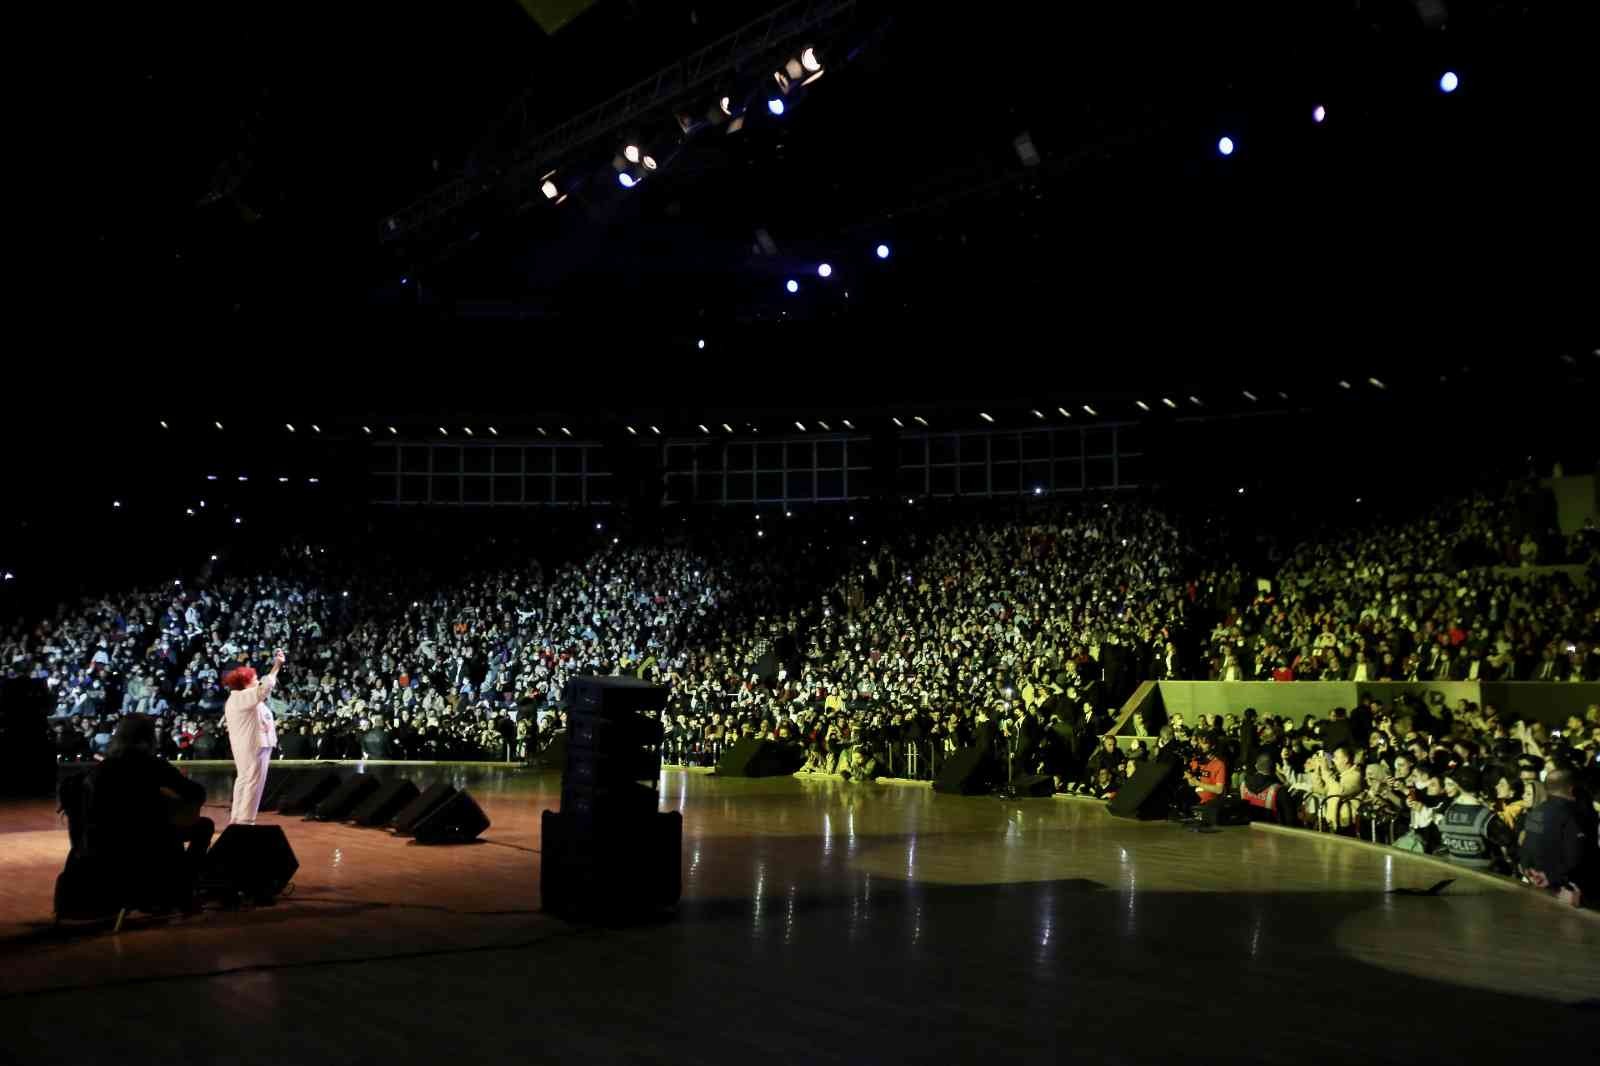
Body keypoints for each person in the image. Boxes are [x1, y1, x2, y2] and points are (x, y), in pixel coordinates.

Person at [62, 716, 213, 914]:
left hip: (101, 848)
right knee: (203, 826)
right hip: (143, 846)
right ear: (148, 738)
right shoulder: (152, 765)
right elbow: (196, 793)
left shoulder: (100, 769)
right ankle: (181, 890)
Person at [223, 648, 285, 826]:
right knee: (252, 782)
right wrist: (276, 666)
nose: (257, 681)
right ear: (245, 683)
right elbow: (264, 688)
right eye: (254, 679)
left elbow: (262, 691)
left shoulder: (241, 698)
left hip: (252, 745)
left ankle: (238, 818)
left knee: (245, 779)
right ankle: (245, 820)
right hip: (252, 746)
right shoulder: (240, 698)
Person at [1518, 770, 1595, 906]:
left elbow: (1527, 845)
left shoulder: (1536, 811)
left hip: (1537, 884)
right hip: (1567, 890)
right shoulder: (1574, 815)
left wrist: (1530, 871)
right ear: (1571, 789)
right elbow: (1576, 856)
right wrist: (1551, 877)